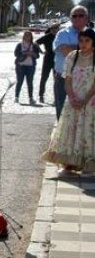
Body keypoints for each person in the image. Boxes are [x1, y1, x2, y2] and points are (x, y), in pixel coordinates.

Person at [43, 26, 95, 174]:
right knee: (71, 129)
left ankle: (88, 162)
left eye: (87, 40)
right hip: (73, 98)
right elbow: (67, 80)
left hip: (90, 100)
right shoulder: (72, 56)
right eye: (81, 40)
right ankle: (69, 163)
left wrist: (84, 100)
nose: (83, 43)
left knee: (87, 130)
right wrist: (72, 97)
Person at [52, 6, 90, 119]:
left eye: (81, 15)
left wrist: (73, 48)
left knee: (86, 113)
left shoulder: (92, 33)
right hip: (63, 79)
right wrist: (87, 49)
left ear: (86, 18)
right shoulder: (63, 33)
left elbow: (71, 51)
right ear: (70, 18)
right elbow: (65, 50)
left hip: (87, 80)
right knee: (62, 113)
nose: (77, 18)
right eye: (74, 16)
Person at [36, 23, 59, 106]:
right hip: (48, 58)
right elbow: (36, 43)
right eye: (53, 28)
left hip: (57, 59)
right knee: (44, 77)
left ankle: (56, 97)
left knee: (57, 79)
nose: (54, 30)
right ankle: (41, 95)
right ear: (50, 29)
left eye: (56, 28)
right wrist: (41, 51)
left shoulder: (60, 36)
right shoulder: (47, 36)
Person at [13, 29, 38, 105]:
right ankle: (16, 97)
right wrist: (24, 53)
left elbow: (37, 56)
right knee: (19, 81)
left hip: (31, 66)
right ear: (23, 36)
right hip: (20, 66)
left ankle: (31, 98)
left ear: (31, 37)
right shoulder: (19, 45)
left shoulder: (34, 45)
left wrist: (32, 54)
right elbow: (16, 54)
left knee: (30, 82)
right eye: (26, 35)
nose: (27, 37)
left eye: (29, 35)